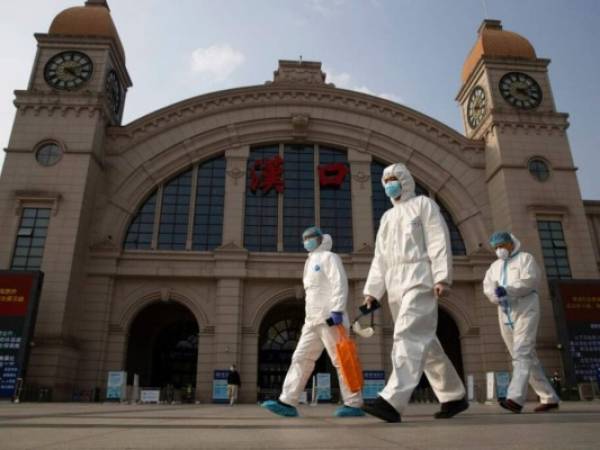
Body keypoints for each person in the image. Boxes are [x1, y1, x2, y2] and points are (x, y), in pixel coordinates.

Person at [361, 163, 468, 423]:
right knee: (426, 342)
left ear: (406, 180)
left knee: (407, 334)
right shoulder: (387, 217)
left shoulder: (424, 205)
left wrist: (442, 276)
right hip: (395, 282)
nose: (389, 184)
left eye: (393, 178)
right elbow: (380, 258)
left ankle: (392, 400)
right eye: (385, 180)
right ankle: (453, 396)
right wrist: (373, 292)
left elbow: (438, 239)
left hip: (420, 276)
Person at [261, 227, 364, 417]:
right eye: (304, 238)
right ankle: (287, 401)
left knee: (341, 359)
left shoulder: (330, 257)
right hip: (312, 321)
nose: (306, 241)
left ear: (320, 239)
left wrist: (338, 309)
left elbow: (339, 283)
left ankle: (354, 404)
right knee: (300, 358)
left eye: (310, 237)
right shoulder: (309, 262)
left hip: (330, 318)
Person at [483, 231, 560, 413]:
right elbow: (487, 288)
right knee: (525, 356)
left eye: (502, 246)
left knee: (522, 351)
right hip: (504, 312)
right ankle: (549, 397)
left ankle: (515, 398)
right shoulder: (494, 267)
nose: (499, 250)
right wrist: (496, 295)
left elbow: (531, 281)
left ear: (511, 243)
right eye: (496, 247)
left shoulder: (526, 259)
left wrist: (508, 289)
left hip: (526, 309)